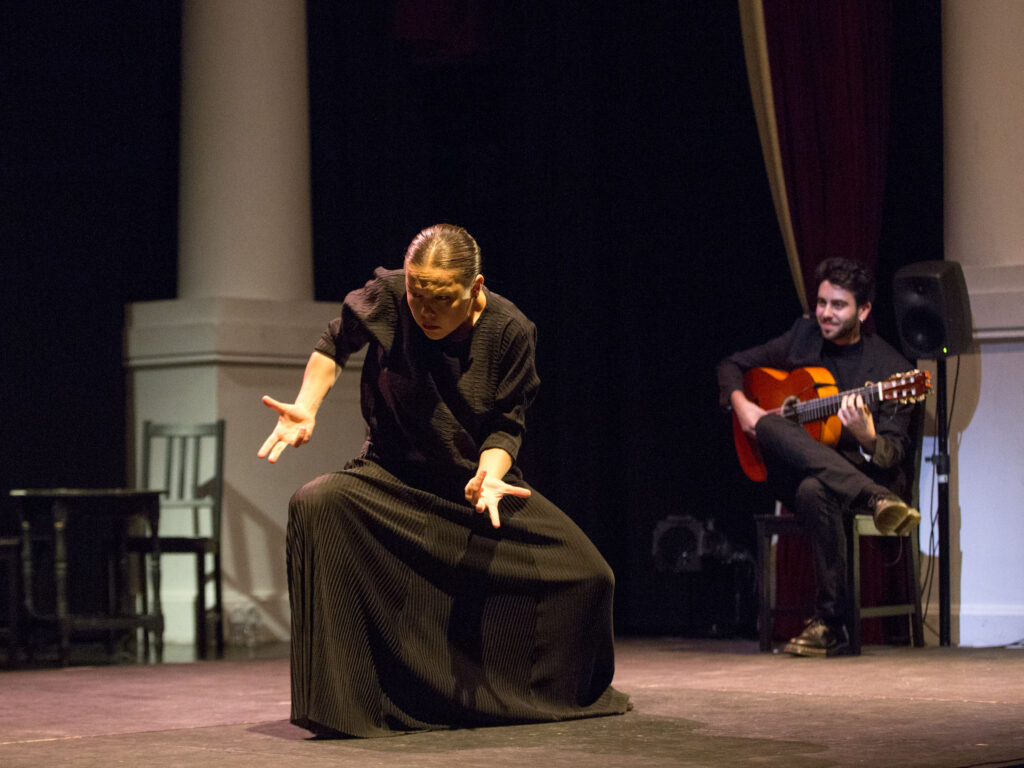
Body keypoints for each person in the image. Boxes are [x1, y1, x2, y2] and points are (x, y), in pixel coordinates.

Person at [258, 223, 630, 737]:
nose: (424, 311)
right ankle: (343, 706)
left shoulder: (510, 330)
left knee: (590, 575)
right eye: (417, 296)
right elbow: (335, 343)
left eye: (441, 299)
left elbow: (506, 424)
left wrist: (490, 473)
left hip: (475, 489)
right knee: (317, 502)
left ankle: (531, 697)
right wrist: (306, 405)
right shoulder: (389, 295)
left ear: (475, 288)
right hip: (390, 479)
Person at [716, 257, 921, 657]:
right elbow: (731, 365)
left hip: (868, 470)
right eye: (822, 302)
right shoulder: (803, 336)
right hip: (816, 474)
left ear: (863, 311)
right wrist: (743, 406)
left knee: (813, 490)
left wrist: (867, 437)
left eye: (838, 305)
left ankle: (830, 623)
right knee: (771, 425)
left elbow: (895, 452)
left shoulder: (893, 371)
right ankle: (874, 499)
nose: (826, 313)